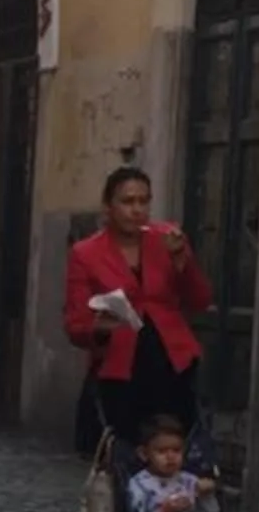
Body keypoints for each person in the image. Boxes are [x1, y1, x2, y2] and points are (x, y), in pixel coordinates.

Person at [63, 165, 214, 448]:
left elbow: (200, 300)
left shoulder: (168, 240)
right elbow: (75, 324)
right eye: (128, 201)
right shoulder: (85, 253)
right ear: (108, 207)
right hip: (120, 368)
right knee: (125, 452)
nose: (137, 210)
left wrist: (182, 259)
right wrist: (99, 328)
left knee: (175, 453)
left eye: (144, 201)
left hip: (172, 362)